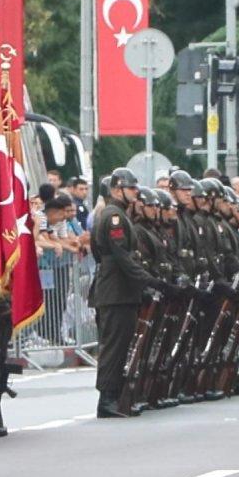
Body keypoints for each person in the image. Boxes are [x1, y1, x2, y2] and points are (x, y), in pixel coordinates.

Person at [90, 168, 162, 418]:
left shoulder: (120, 214)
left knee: (122, 345)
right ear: (117, 189)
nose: (135, 192)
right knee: (113, 346)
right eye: (131, 188)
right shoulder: (113, 216)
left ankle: (116, 396)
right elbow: (121, 257)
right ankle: (106, 398)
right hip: (114, 291)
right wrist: (148, 280)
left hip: (122, 290)